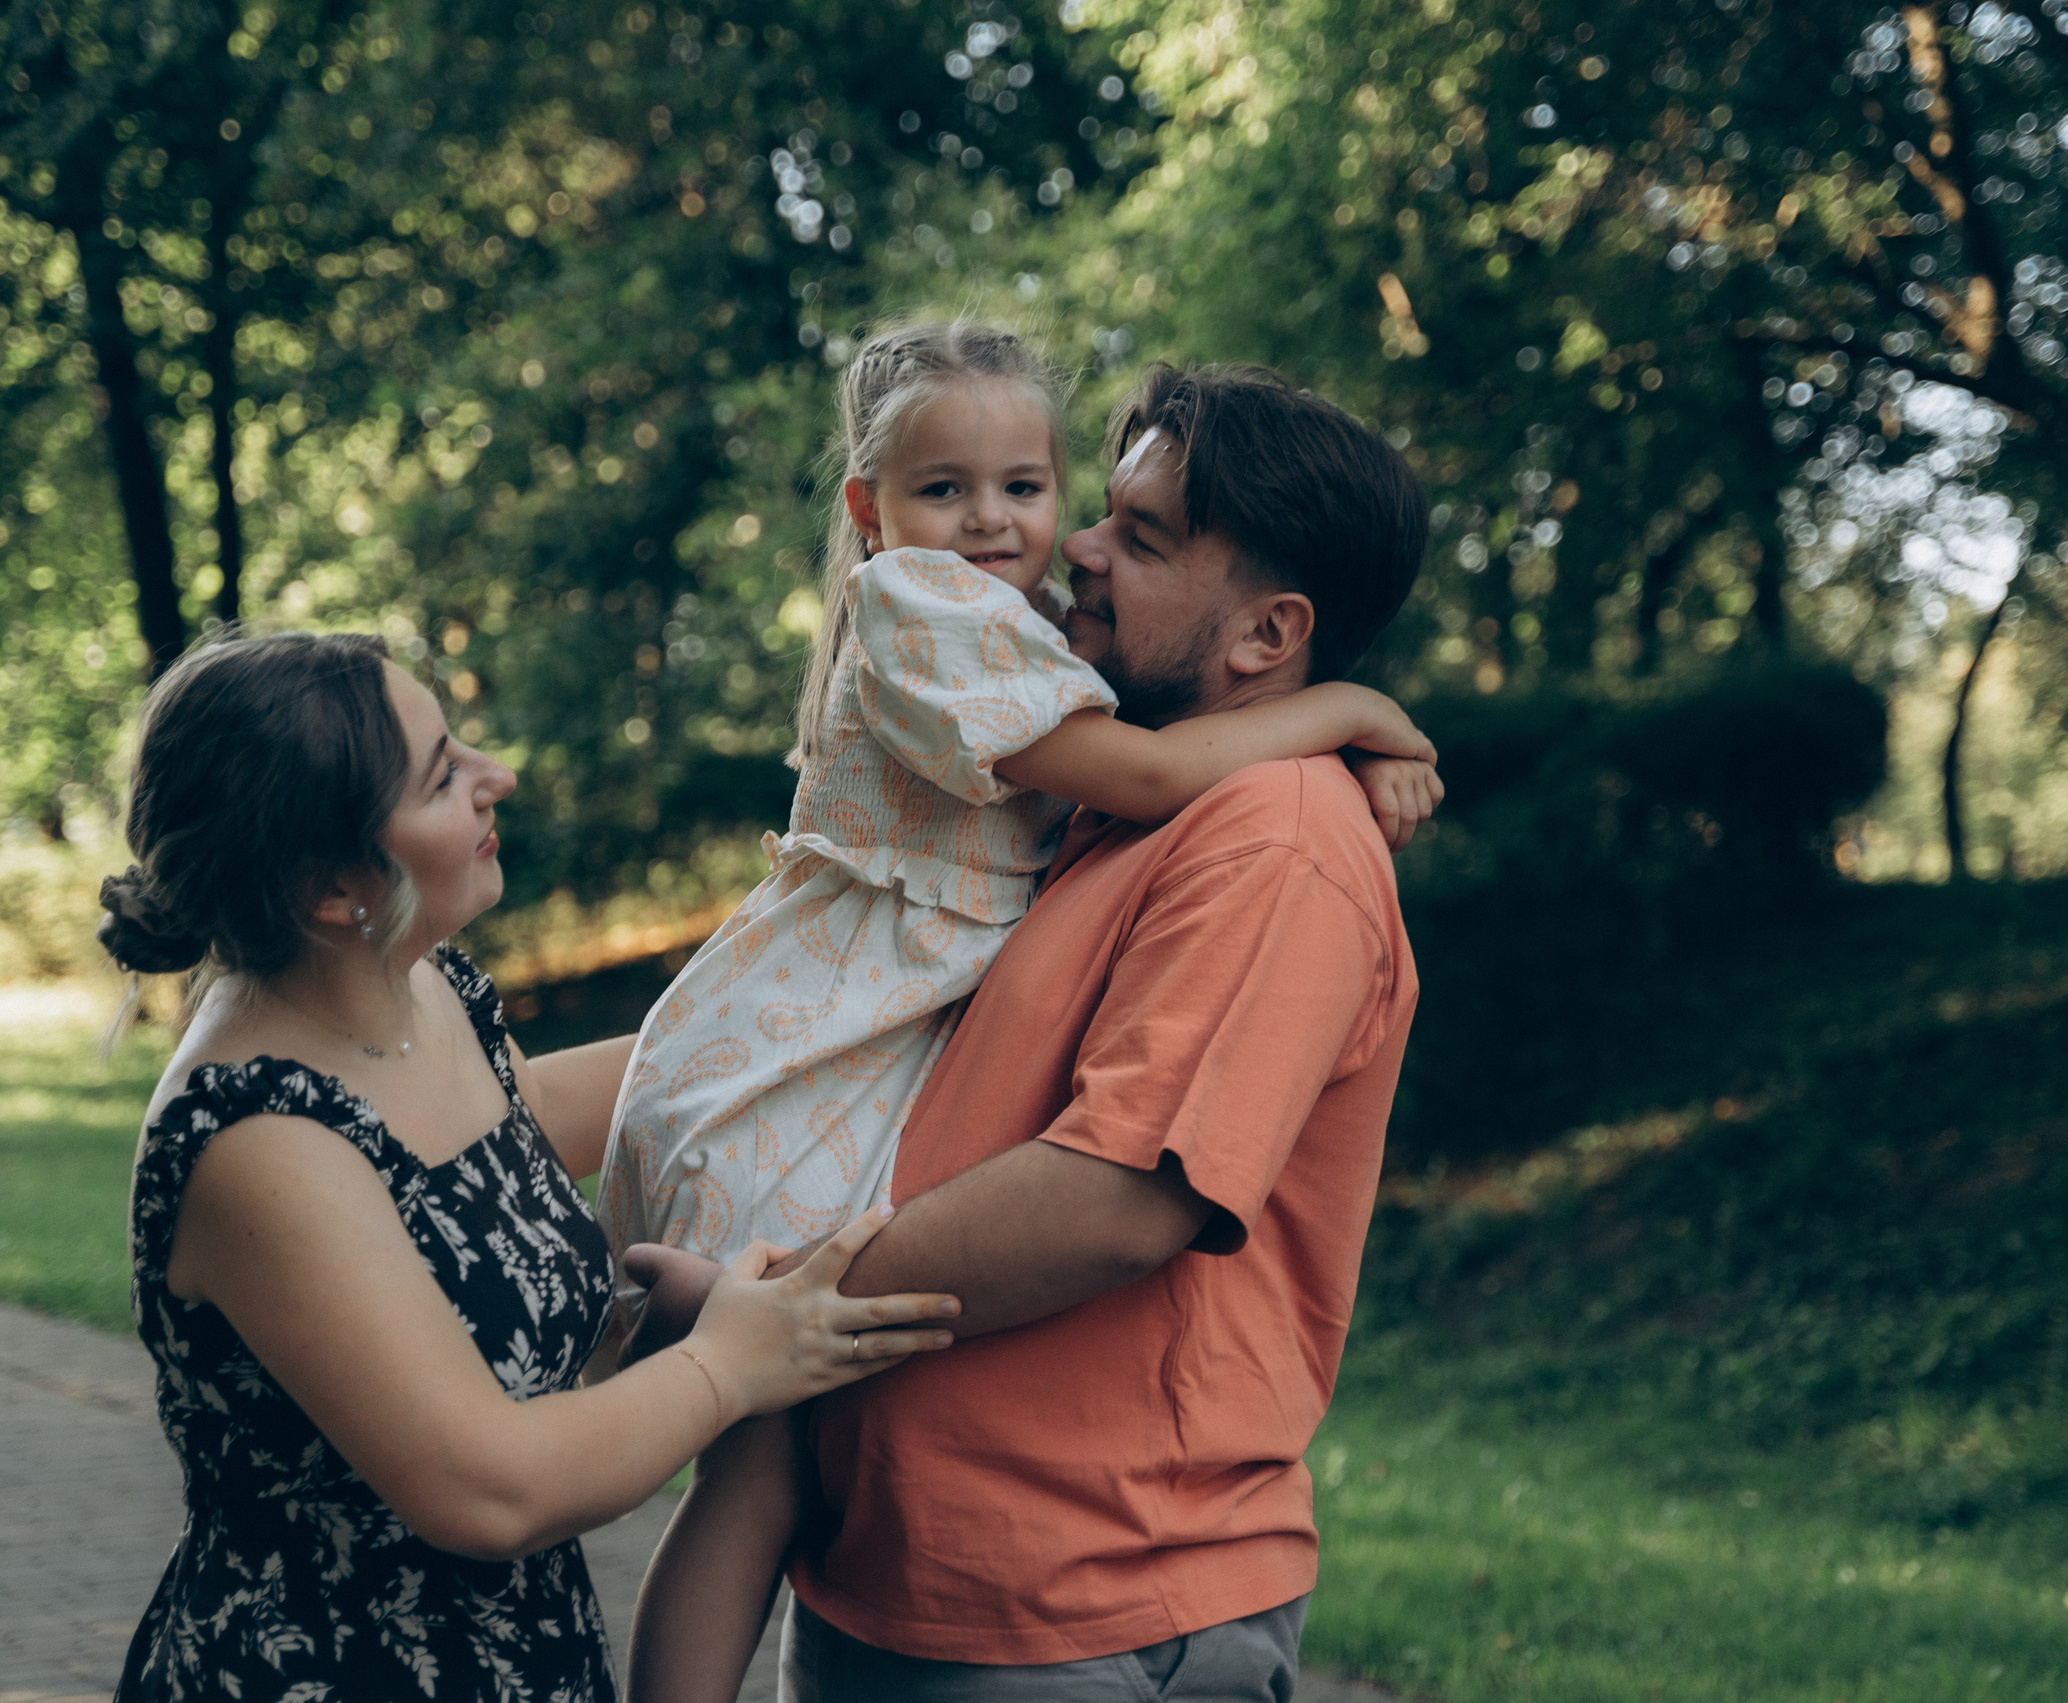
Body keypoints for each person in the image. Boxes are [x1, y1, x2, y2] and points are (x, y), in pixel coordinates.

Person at [601, 324, 1442, 1701]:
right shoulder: (1088, 790)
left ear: (1270, 633)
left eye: (1147, 535)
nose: (1080, 550)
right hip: (919, 1573)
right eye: (1102, 510)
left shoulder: (1276, 833)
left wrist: (783, 1309)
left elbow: (1116, 1199)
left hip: (1076, 1603)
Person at [96, 630, 958, 1702]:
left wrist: (834, 1016)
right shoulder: (256, 1140)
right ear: (332, 889)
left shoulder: (421, 992)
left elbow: (514, 1133)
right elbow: (487, 1486)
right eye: (444, 775)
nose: (495, 775)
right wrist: (734, 1361)